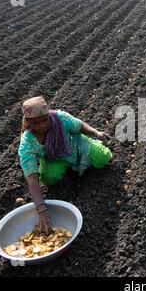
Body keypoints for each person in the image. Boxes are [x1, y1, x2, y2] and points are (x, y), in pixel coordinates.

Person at [18, 96, 112, 233]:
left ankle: (88, 152)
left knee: (103, 158)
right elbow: (31, 179)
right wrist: (41, 209)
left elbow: (80, 126)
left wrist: (96, 133)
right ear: (28, 123)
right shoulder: (27, 142)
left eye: (45, 120)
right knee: (48, 178)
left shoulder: (61, 119)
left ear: (49, 115)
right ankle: (66, 167)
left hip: (74, 145)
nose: (42, 125)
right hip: (53, 158)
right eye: (36, 123)